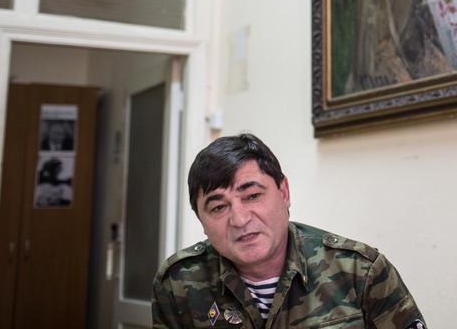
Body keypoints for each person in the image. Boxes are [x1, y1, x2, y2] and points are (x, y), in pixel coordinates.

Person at [152, 134, 427, 328]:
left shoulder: (360, 271)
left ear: (284, 193)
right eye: (218, 207)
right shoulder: (178, 283)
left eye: (252, 196)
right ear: (201, 220)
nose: (240, 219)